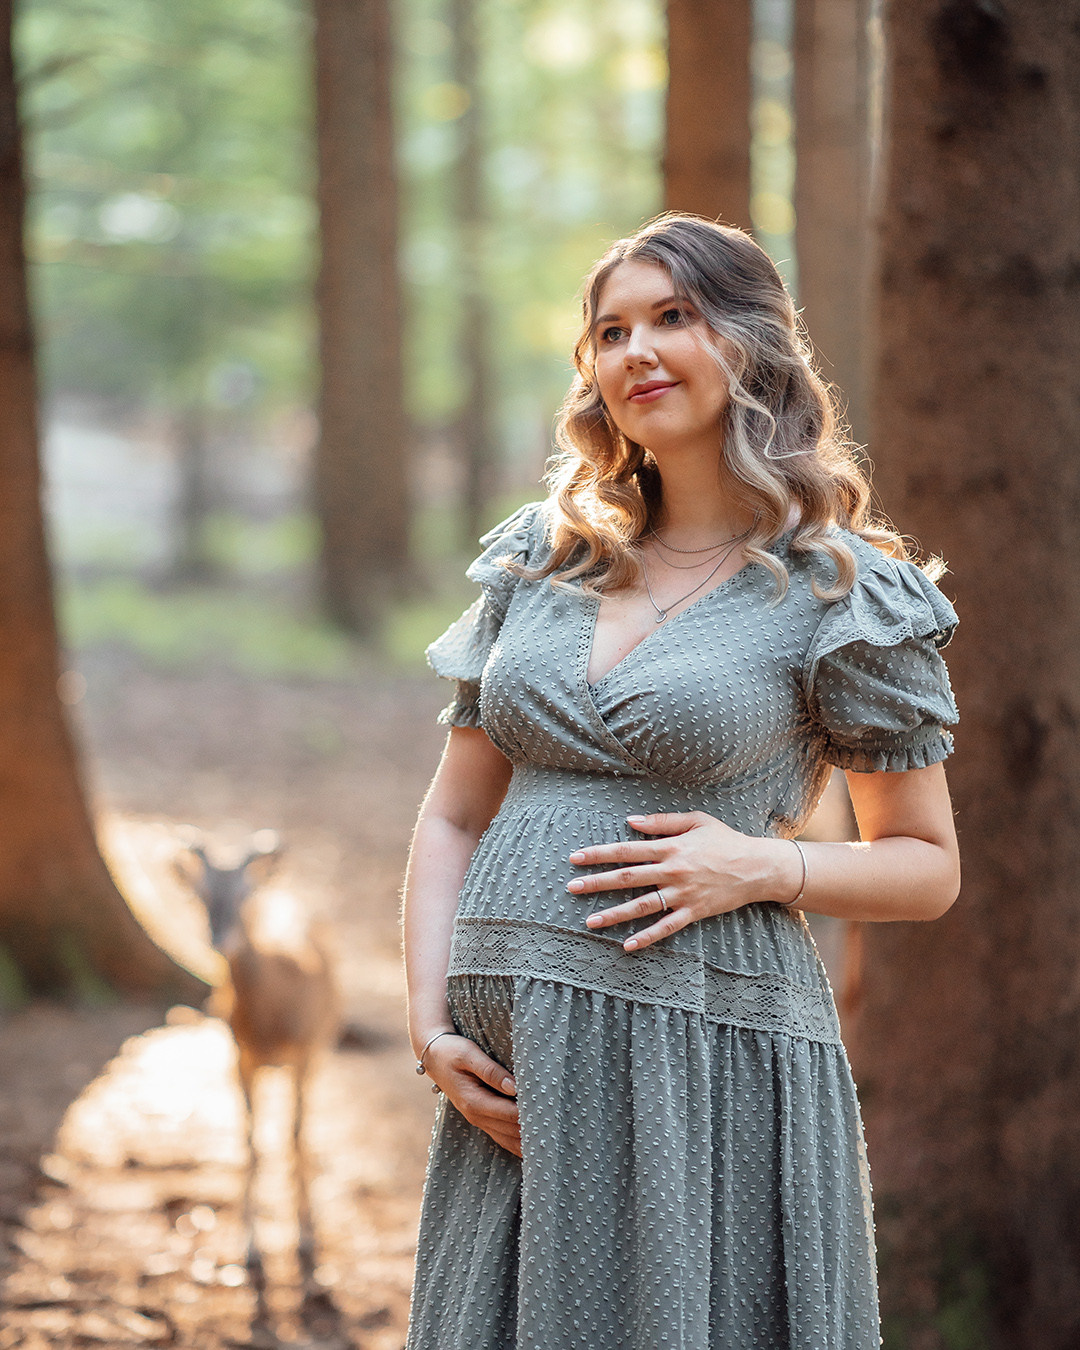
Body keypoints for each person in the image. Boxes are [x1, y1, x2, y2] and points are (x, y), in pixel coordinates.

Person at [401, 213, 960, 1349]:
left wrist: (764, 865)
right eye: (611, 331)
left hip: (705, 1064)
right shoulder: (545, 555)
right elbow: (453, 815)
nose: (637, 351)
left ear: (751, 343)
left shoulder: (840, 588)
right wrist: (429, 1030)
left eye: (673, 317)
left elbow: (927, 867)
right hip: (511, 1086)